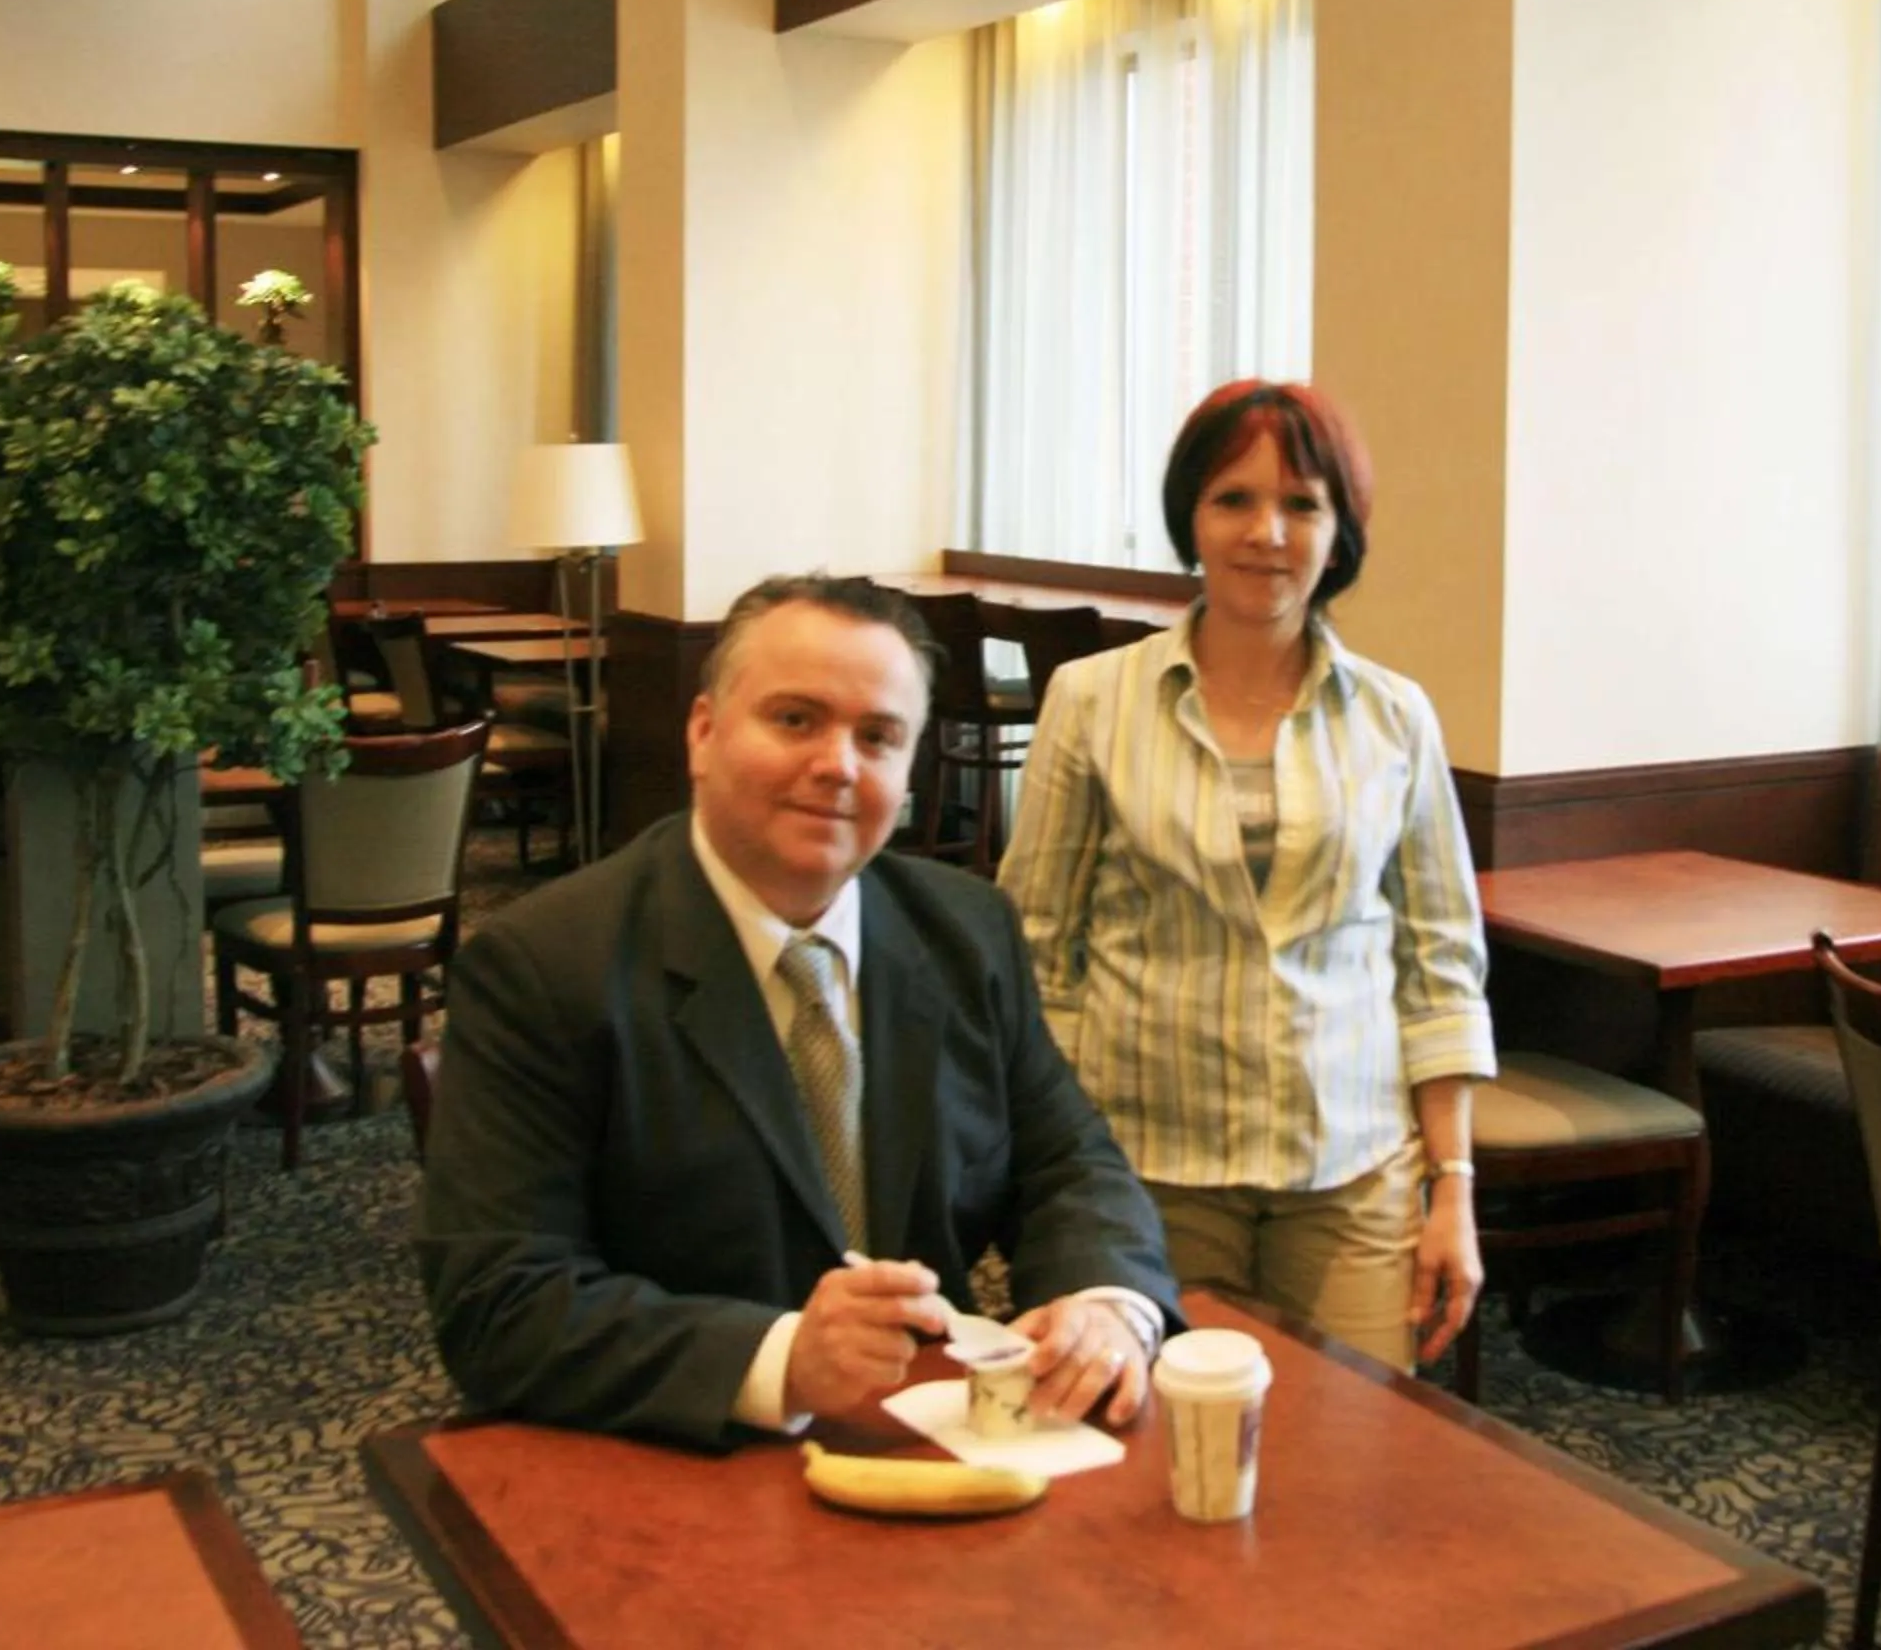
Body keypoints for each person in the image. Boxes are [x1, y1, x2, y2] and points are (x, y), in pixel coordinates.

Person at [417, 573, 1180, 1451]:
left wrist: (1105, 1301)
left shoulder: (968, 930)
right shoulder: (543, 965)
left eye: (879, 736)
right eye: (795, 720)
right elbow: (499, 1300)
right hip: (672, 1461)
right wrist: (778, 1358)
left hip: (931, 1440)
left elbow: (1068, 1159)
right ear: (703, 733)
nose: (837, 765)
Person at [997, 381, 1495, 1373]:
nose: (1266, 531)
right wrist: (1047, 1173)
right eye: (1234, 498)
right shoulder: (1093, 699)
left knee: (1351, 1474)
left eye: (1301, 504)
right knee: (1153, 1470)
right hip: (1146, 1166)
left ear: (1338, 531)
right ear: (1192, 514)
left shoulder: (1396, 717)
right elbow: (1034, 953)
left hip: (1353, 1169)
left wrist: (1455, 1186)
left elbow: (1439, 966)